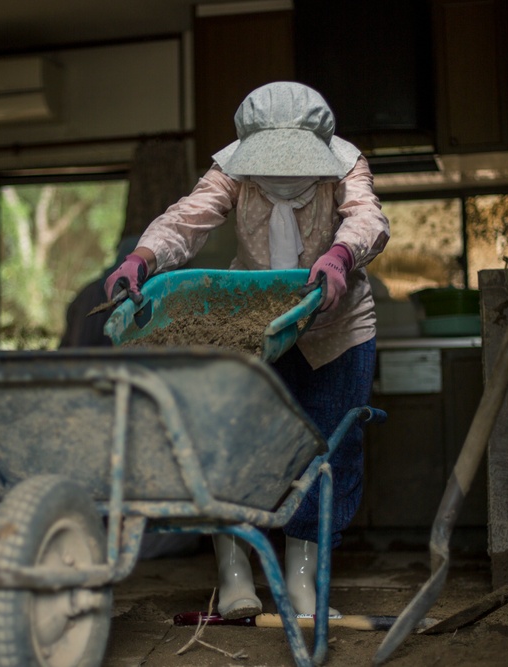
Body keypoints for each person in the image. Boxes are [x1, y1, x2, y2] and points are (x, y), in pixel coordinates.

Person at [102, 81, 390, 618]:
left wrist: (342, 257)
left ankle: (303, 582)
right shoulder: (231, 171)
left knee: (329, 451)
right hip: (252, 326)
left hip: (336, 330)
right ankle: (235, 577)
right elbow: (188, 218)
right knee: (230, 448)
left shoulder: (347, 166)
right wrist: (142, 257)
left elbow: (367, 218)